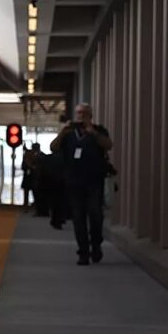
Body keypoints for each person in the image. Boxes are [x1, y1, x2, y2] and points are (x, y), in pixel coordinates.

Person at [56, 104, 113, 265]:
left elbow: (109, 145)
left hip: (94, 181)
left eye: (84, 113)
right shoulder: (69, 134)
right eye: (78, 113)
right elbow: (53, 148)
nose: (81, 116)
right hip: (74, 183)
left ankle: (96, 245)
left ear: (90, 115)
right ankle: (83, 252)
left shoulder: (99, 130)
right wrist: (62, 133)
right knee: (78, 218)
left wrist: (93, 133)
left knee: (95, 215)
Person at [21, 142, 42, 209]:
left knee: (29, 192)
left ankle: (26, 205)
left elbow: (23, 166)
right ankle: (35, 205)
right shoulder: (40, 155)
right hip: (35, 177)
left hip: (29, 176)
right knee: (35, 192)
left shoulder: (27, 155)